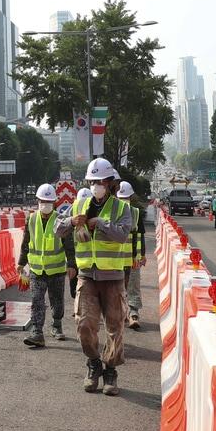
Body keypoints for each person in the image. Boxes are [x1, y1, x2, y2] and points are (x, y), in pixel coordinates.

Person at [57, 158, 133, 396]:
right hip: (87, 276)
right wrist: (71, 221)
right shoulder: (79, 204)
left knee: (115, 327)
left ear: (110, 183)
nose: (96, 186)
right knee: (84, 325)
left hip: (113, 278)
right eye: (92, 181)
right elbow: (58, 229)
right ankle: (93, 363)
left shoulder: (122, 208)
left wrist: (99, 223)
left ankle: (110, 370)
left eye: (100, 181)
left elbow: (122, 236)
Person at [18, 183, 75, 347]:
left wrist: (72, 264)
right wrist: (21, 263)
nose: (45, 204)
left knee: (57, 301)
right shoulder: (31, 219)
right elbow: (26, 243)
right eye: (42, 201)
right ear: (37, 201)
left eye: (48, 201)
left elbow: (68, 245)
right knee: (37, 300)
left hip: (56, 270)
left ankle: (57, 325)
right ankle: (37, 331)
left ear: (54, 202)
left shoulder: (60, 220)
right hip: (36, 270)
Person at [121, 181, 146, 329]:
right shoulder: (111, 214)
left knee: (133, 286)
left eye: (126, 197)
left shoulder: (135, 213)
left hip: (132, 258)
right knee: (117, 288)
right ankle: (120, 312)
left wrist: (141, 255)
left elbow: (140, 236)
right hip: (115, 258)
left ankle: (133, 313)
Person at [69, 187, 92, 301]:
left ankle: (81, 309)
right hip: (75, 258)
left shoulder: (95, 214)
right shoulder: (71, 213)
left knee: (87, 289)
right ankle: (78, 307)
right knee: (74, 288)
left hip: (90, 261)